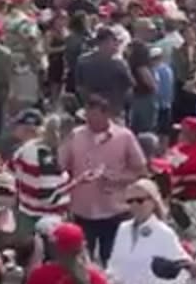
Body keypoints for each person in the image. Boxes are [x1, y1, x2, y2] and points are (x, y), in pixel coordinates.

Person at [60, 96, 148, 264]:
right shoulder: (75, 136)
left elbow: (142, 172)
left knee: (114, 261)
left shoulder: (125, 137)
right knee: (82, 262)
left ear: (107, 115)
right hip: (82, 212)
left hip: (115, 211)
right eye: (87, 117)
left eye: (94, 116)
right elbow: (61, 167)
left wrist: (118, 178)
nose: (90, 122)